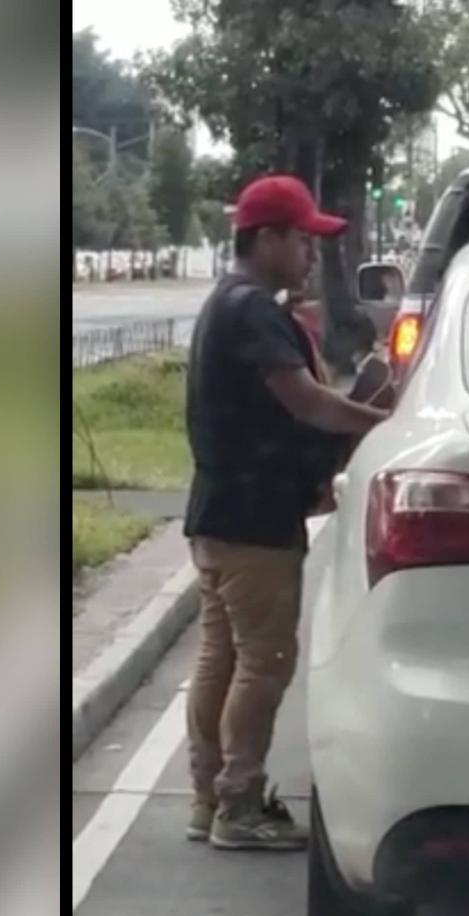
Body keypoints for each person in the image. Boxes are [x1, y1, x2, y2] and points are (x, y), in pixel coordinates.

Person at [183, 175, 390, 851]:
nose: (311, 254)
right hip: (254, 521)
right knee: (264, 663)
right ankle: (239, 806)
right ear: (267, 238)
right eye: (304, 240)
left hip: (218, 513)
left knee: (221, 657)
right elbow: (307, 402)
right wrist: (383, 422)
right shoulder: (253, 311)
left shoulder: (229, 301)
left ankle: (208, 797)